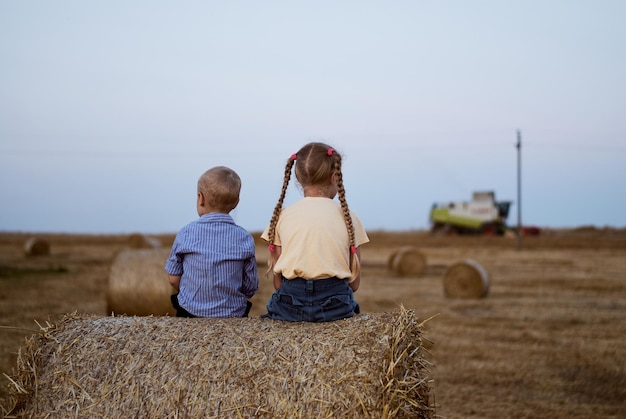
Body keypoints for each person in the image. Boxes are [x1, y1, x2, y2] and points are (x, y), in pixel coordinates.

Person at [261, 142, 369, 322]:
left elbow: (277, 284)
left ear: (297, 178)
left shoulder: (283, 216)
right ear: (334, 177)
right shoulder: (349, 217)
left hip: (290, 305)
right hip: (335, 306)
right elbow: (354, 284)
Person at [165, 166, 259, 318]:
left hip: (189, 312)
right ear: (236, 203)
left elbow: (173, 278)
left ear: (200, 198)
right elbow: (250, 287)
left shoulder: (186, 232)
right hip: (233, 314)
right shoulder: (244, 237)